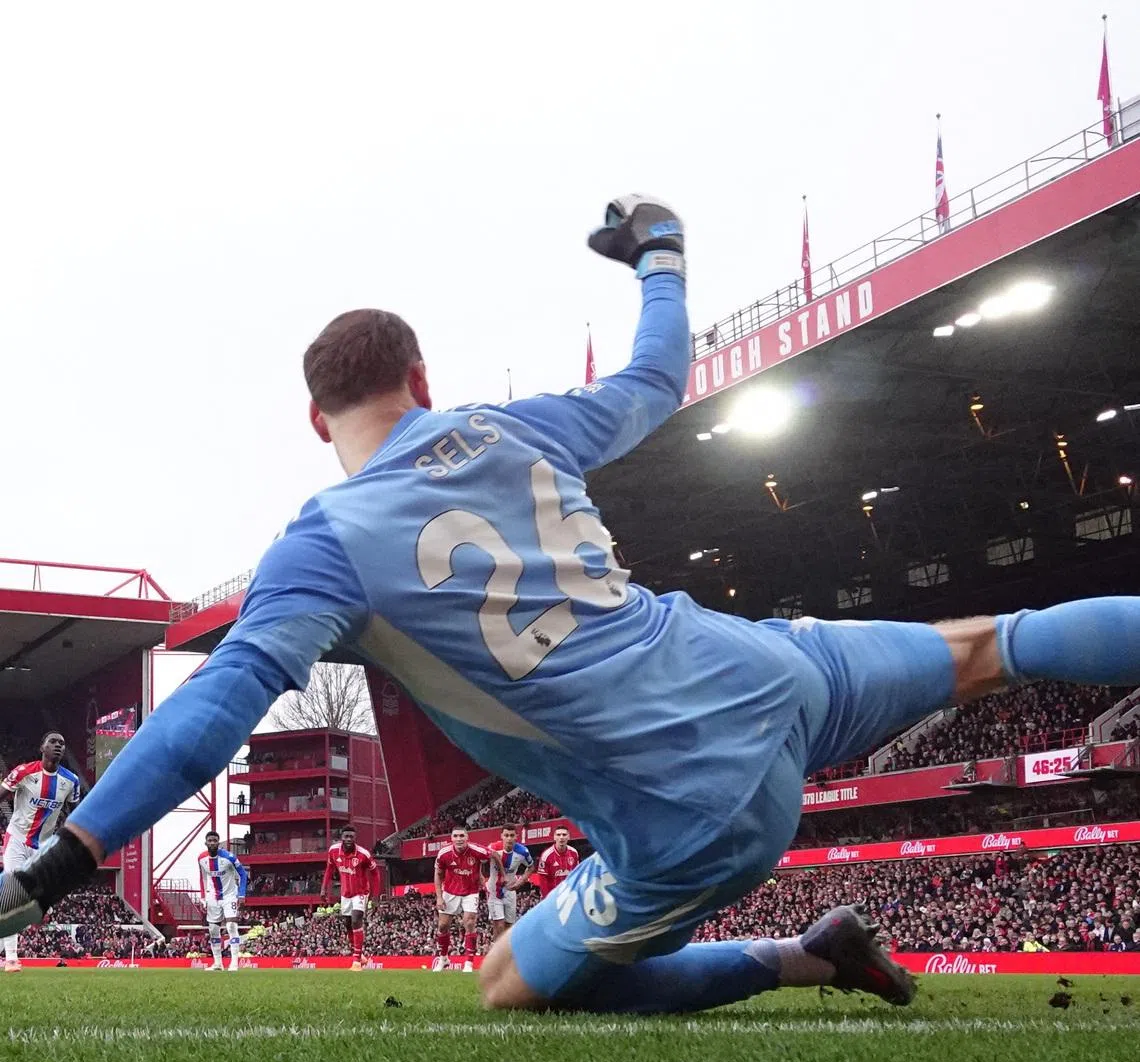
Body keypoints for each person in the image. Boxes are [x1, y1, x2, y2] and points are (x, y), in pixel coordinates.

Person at [7, 196, 1140, 1014]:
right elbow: (656, 379)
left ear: (317, 424)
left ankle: (804, 956)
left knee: (512, 984)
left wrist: (59, 866)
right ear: (424, 383)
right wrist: (660, 257)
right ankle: (823, 943)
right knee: (1003, 645)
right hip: (765, 664)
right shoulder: (516, 427)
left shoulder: (326, 544)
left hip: (694, 810)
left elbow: (215, 710)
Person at [0, 732, 81, 972]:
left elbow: (75, 813)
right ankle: (12, 959)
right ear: (42, 747)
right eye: (53, 742)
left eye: (62, 743)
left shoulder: (71, 781)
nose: (58, 746)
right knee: (12, 895)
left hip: (44, 849)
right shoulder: (25, 772)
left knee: (36, 903)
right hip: (16, 841)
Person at [433, 827, 501, 972]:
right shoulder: (444, 854)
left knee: (469, 922)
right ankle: (443, 958)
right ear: (451, 838)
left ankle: (469, 963)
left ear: (467, 837)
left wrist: (501, 875)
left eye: (461, 836)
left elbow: (494, 855)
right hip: (450, 891)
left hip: (471, 891)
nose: (459, 839)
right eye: (456, 836)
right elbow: (438, 874)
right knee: (443, 926)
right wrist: (439, 897)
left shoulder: (476, 850)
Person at [319, 824, 380, 970]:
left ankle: (356, 961)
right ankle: (361, 956)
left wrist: (375, 896)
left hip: (361, 892)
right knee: (348, 925)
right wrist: (323, 889)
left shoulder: (363, 854)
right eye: (346, 836)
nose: (348, 839)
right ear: (341, 837)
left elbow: (376, 873)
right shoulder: (333, 851)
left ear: (355, 838)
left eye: (351, 837)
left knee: (356, 920)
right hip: (345, 894)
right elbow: (329, 869)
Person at [196, 829, 247, 972]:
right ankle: (218, 963)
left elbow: (243, 874)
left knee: (231, 926)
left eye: (215, 841)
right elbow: (202, 878)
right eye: (210, 841)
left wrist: (241, 895)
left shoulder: (230, 857)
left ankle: (234, 962)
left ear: (218, 843)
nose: (212, 843)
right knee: (213, 929)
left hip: (230, 895)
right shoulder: (201, 858)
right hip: (213, 896)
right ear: (206, 843)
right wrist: (203, 897)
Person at [485, 825, 533, 941]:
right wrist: (481, 878)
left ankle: (504, 953)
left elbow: (531, 867)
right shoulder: (492, 848)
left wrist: (521, 881)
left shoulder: (523, 851)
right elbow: (479, 860)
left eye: (512, 835)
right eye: (506, 835)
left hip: (511, 891)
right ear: (502, 836)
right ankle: (497, 956)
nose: (509, 838)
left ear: (516, 836)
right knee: (499, 925)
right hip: (493, 892)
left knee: (508, 927)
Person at [533, 827, 578, 900]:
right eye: (558, 835)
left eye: (564, 835)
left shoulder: (574, 853)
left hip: (569, 895)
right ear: (554, 837)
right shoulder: (546, 855)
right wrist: (547, 898)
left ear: (568, 837)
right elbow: (542, 879)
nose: (561, 837)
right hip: (553, 897)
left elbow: (576, 874)